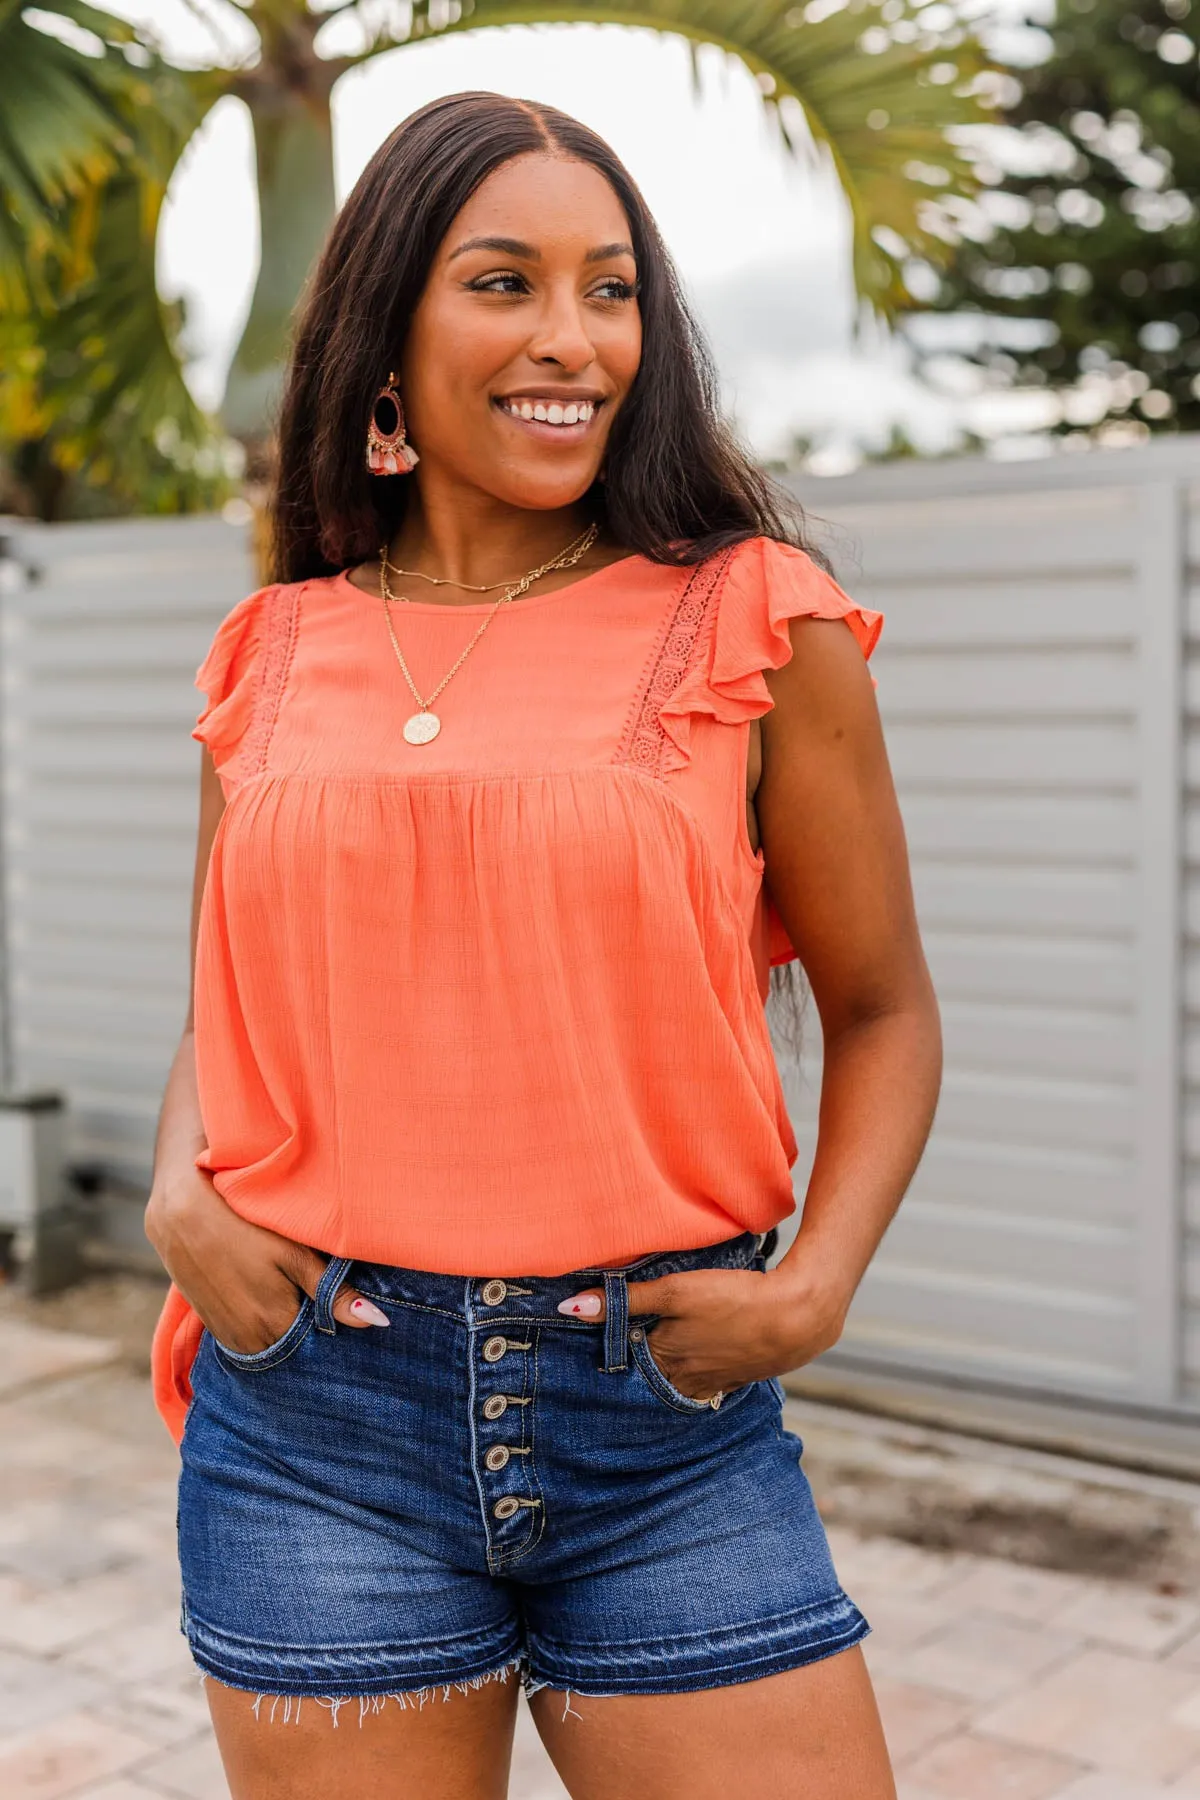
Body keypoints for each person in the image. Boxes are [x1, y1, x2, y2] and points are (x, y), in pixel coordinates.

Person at [146, 89, 941, 1800]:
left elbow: (882, 1009)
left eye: (614, 287)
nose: (572, 338)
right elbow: (227, 992)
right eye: (502, 283)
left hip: (655, 1415)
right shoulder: (268, 649)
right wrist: (174, 1190)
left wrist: (813, 1289)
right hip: (314, 1421)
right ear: (383, 336)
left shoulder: (752, 622)